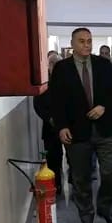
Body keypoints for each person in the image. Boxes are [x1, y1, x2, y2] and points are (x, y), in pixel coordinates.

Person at [49, 28, 112, 223]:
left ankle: (105, 207)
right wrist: (62, 126)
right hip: (76, 132)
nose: (87, 45)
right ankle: (86, 217)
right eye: (81, 41)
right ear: (73, 44)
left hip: (104, 129)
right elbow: (56, 101)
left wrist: (103, 106)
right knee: (81, 178)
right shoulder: (62, 68)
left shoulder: (103, 65)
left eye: (89, 41)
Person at [33, 52, 65, 195]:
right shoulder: (44, 84)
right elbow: (38, 105)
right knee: (53, 158)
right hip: (50, 127)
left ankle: (73, 183)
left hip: (69, 125)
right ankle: (56, 185)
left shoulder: (67, 80)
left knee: (73, 157)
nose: (55, 67)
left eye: (57, 64)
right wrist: (49, 118)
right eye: (52, 64)